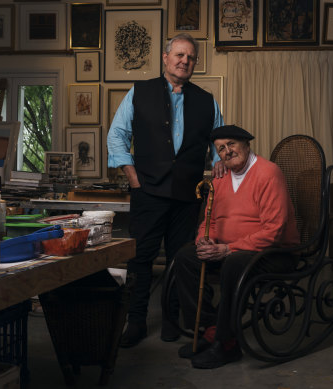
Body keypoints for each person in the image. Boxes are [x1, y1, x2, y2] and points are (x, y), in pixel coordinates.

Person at [107, 33, 226, 348]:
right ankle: (136, 322)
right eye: (179, 55)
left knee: (180, 260)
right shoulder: (139, 92)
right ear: (165, 57)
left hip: (188, 197)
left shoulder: (206, 100)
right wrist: (134, 178)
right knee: (141, 259)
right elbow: (117, 134)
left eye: (191, 57)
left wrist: (218, 168)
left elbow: (220, 144)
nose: (185, 61)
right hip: (147, 192)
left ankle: (172, 320)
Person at [173, 125, 300, 369]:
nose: (227, 151)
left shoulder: (268, 173)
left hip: (274, 253)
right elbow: (209, 219)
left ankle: (226, 344)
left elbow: (274, 230)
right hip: (231, 250)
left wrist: (227, 249)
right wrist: (204, 240)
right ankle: (212, 329)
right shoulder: (220, 178)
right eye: (221, 148)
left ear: (246, 144)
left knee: (233, 263)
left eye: (231, 144)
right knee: (186, 257)